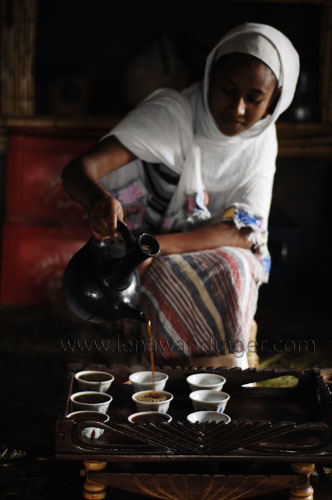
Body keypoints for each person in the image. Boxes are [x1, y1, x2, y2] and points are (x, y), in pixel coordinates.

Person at [62, 23, 300, 369]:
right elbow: (78, 171)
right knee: (162, 277)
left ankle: (220, 377)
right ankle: (165, 376)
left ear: (275, 99)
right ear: (209, 78)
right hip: (132, 248)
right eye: (227, 90)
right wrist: (99, 201)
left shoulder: (262, 139)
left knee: (235, 267)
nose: (237, 108)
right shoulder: (173, 116)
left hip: (171, 247)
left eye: (254, 99)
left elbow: (240, 233)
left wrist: (151, 247)